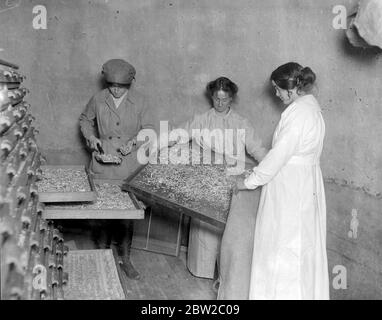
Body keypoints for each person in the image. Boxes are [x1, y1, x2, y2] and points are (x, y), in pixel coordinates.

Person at [160, 77, 267, 299]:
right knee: (204, 229)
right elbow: (178, 134)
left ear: (231, 98)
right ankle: (202, 272)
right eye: (216, 99)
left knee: (227, 230)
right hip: (205, 178)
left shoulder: (241, 123)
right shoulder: (201, 120)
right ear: (212, 97)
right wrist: (158, 144)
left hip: (231, 181)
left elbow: (257, 149)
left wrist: (271, 168)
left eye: (224, 99)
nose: (220, 103)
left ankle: (224, 278)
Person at [235, 62, 329, 299]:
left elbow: (278, 156)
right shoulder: (311, 109)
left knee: (284, 249)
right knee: (300, 249)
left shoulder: (298, 113)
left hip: (290, 189)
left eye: (277, 89)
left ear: (290, 89)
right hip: (303, 184)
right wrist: (257, 172)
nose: (276, 94)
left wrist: (248, 181)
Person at [79, 58, 154, 280]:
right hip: (103, 164)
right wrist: (91, 138)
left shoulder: (140, 101)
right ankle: (101, 258)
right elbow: (85, 120)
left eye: (121, 86)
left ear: (129, 84)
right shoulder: (98, 99)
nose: (115, 90)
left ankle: (125, 259)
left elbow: (149, 128)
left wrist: (135, 142)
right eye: (112, 85)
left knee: (126, 217)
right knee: (101, 214)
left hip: (128, 165)